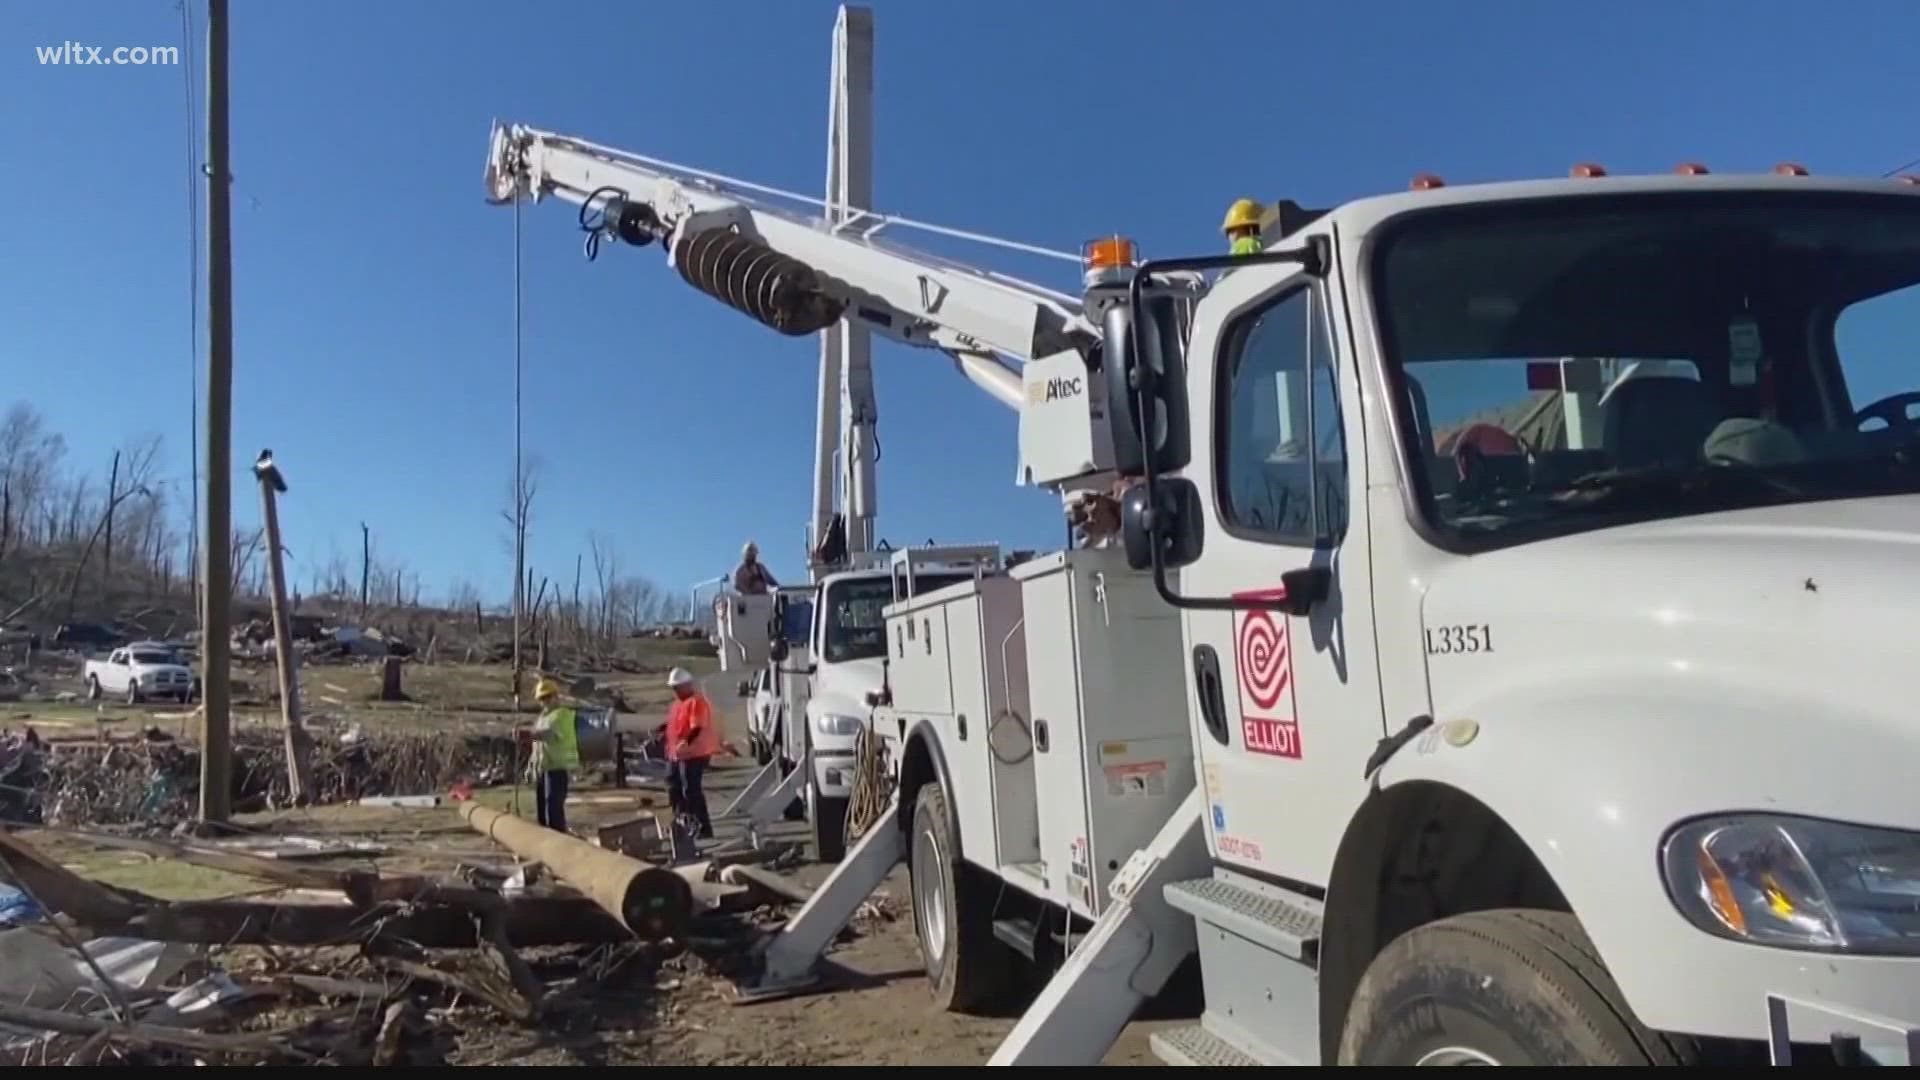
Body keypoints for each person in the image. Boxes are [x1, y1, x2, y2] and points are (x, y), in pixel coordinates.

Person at [663, 666, 721, 839]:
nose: (675, 691)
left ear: (687, 685)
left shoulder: (696, 702)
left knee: (691, 790)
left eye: (677, 687)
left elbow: (697, 727)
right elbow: (674, 725)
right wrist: (660, 730)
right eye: (673, 688)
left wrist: (685, 742)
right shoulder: (677, 704)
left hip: (695, 753)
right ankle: (681, 823)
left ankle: (702, 827)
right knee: (673, 787)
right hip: (676, 753)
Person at [529, 677, 578, 833]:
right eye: (542, 699)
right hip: (543, 768)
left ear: (556, 696)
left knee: (553, 809)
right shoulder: (542, 719)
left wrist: (528, 734)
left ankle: (559, 842)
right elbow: (536, 746)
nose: (546, 701)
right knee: (542, 809)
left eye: (548, 697)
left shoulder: (562, 714)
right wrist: (531, 767)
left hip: (557, 768)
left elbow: (550, 735)